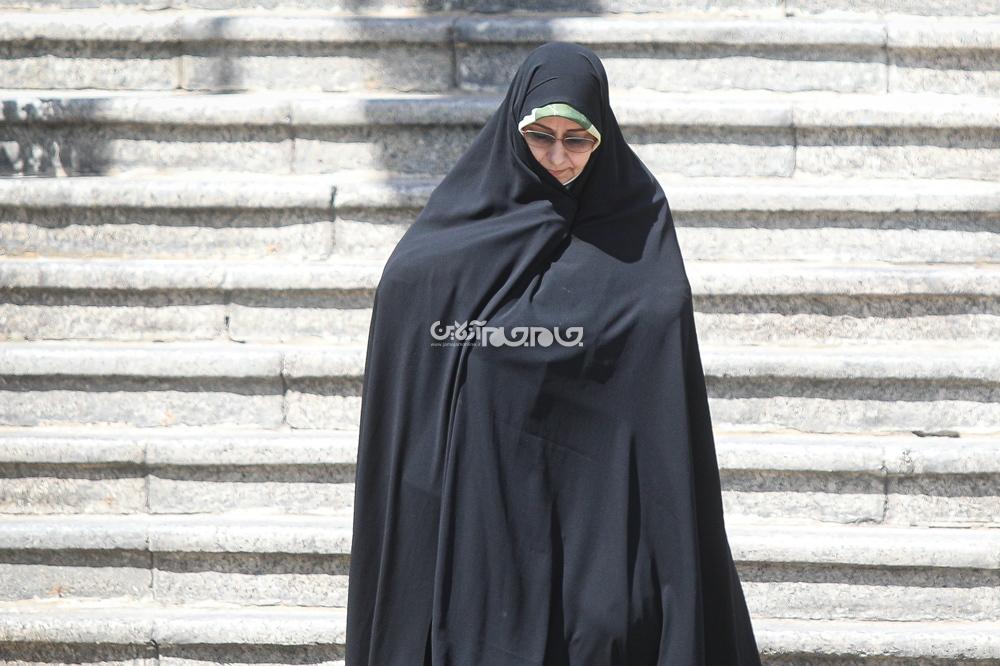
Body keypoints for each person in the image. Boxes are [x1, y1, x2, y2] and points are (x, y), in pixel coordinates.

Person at [345, 41, 763, 665]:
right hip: (484, 507)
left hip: (604, 505)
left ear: (603, 135)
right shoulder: (453, 241)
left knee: (605, 631)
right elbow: (414, 316)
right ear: (515, 128)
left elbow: (656, 332)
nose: (560, 157)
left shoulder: (635, 220)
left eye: (578, 139)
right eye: (541, 136)